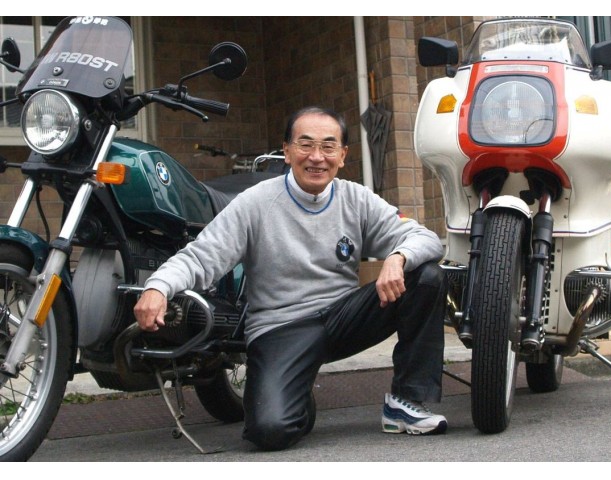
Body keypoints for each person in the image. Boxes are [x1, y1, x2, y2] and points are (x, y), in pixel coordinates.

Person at [134, 106, 448, 451]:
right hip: (281, 328)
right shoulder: (255, 202)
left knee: (426, 275)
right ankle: (294, 398)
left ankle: (406, 402)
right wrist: (158, 287)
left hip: (343, 319)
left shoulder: (356, 198)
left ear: (343, 155)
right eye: (305, 144)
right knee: (270, 431)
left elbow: (426, 239)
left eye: (328, 146)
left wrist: (398, 257)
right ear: (286, 151)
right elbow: (202, 255)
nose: (317, 157)